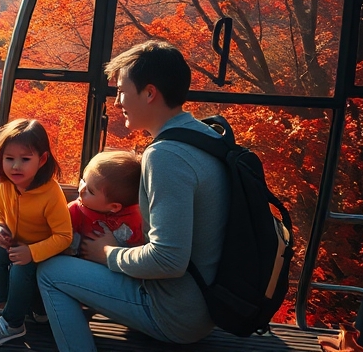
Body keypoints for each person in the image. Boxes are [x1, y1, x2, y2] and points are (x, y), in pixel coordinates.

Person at [37, 40, 229, 351]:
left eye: (122, 91)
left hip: (175, 313)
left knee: (50, 273)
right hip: (206, 303)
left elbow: (168, 260)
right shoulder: (206, 135)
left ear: (150, 93)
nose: (116, 102)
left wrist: (107, 253)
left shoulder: (167, 156)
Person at [0, 118, 72, 347]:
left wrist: (32, 252)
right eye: (9, 159)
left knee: (20, 270)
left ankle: (13, 323)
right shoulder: (6, 184)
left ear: (42, 160)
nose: (15, 166)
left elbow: (64, 236)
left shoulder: (50, 194)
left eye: (25, 159)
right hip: (17, 243)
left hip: (44, 251)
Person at [66, 150, 143, 256]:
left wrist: (116, 249)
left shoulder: (134, 221)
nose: (81, 189)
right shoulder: (74, 210)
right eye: (83, 180)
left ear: (114, 206)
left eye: (90, 191)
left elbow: (138, 253)